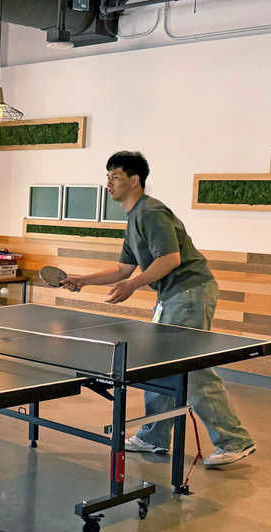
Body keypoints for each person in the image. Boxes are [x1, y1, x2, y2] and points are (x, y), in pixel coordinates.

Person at [61, 150, 256, 468]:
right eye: (107, 176)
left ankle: (234, 439)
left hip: (189, 293)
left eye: (115, 176)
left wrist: (134, 285)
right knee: (160, 364)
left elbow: (170, 260)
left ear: (134, 180)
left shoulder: (151, 212)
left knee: (188, 367)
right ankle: (154, 437)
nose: (108, 183)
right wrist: (82, 280)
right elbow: (123, 270)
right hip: (173, 296)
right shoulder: (133, 219)